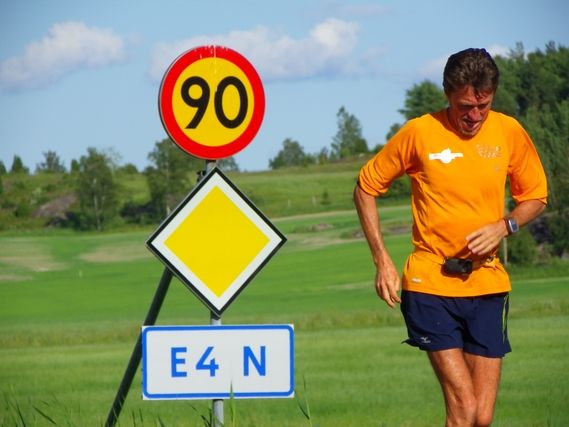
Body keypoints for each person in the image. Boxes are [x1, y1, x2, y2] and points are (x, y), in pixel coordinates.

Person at [353, 48, 547, 427]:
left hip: (487, 282)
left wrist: (505, 225)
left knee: (482, 417)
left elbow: (536, 197)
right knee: (463, 410)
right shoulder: (420, 132)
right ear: (447, 94)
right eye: (464, 107)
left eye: (483, 106)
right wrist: (382, 261)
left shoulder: (508, 131)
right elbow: (365, 187)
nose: (474, 116)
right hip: (430, 283)